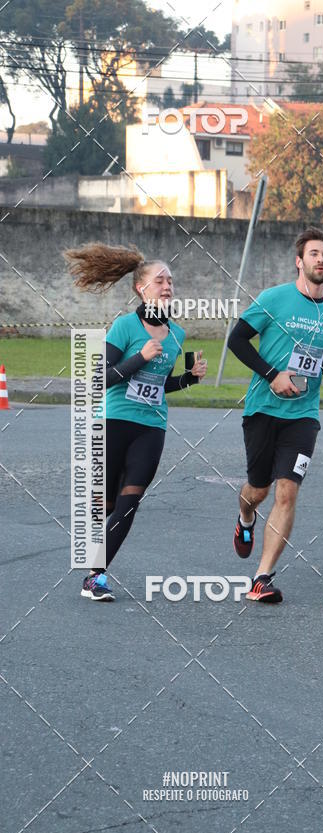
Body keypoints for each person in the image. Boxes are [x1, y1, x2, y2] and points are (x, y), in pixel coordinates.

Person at [64, 242, 207, 601]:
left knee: (130, 503)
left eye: (171, 281)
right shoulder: (125, 326)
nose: (168, 286)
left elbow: (160, 386)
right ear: (141, 288)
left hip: (152, 427)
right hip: (113, 421)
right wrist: (139, 357)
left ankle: (96, 576)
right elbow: (99, 378)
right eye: (160, 280)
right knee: (107, 505)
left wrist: (189, 378)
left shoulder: (177, 335)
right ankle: (92, 550)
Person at [227, 227, 323, 603]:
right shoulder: (273, 299)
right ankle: (246, 518)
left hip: (304, 414)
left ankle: (262, 577)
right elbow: (237, 340)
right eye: (314, 254)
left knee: (287, 491)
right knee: (258, 490)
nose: (321, 259)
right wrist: (272, 375)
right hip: (263, 408)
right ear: (300, 261)